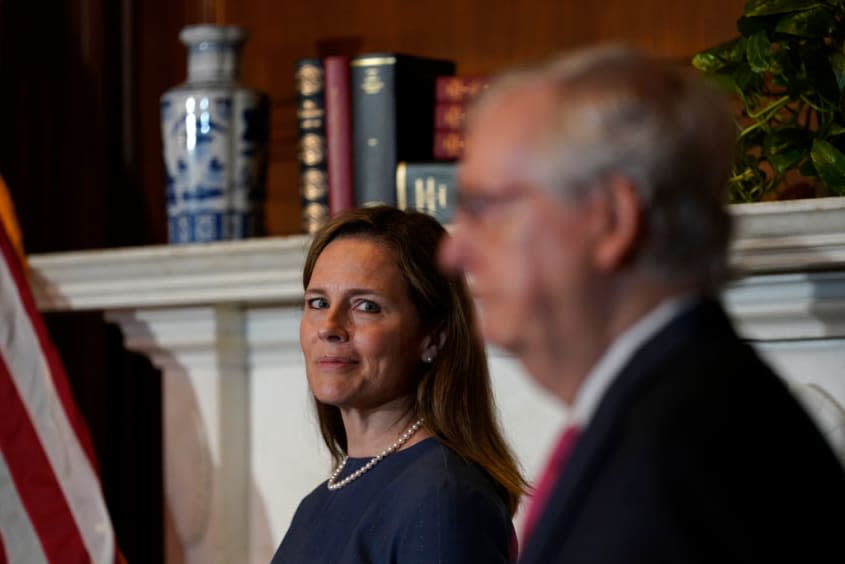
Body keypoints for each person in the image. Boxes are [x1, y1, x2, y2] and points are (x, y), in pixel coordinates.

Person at [437, 44, 845, 563]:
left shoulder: (693, 446)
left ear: (609, 220)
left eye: (485, 208)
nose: (454, 250)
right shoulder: (663, 407)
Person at [271, 205, 526, 563]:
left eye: (366, 306)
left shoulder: (441, 499)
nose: (329, 326)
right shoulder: (317, 504)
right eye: (318, 302)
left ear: (433, 337)